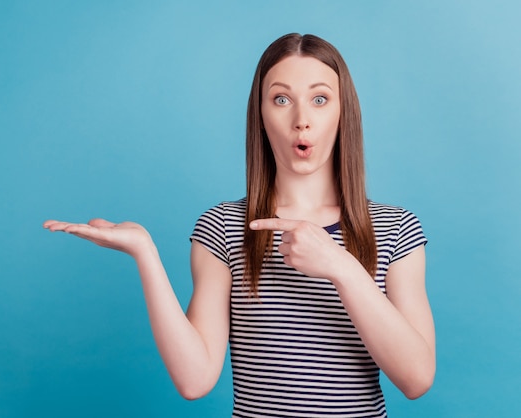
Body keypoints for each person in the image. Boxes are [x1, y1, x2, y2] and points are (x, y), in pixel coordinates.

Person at [43, 33, 435, 418]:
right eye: (282, 99)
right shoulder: (224, 227)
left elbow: (416, 378)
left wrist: (341, 267)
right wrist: (145, 253)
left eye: (320, 99)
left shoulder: (395, 228)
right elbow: (194, 380)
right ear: (261, 115)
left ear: (342, 111)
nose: (302, 120)